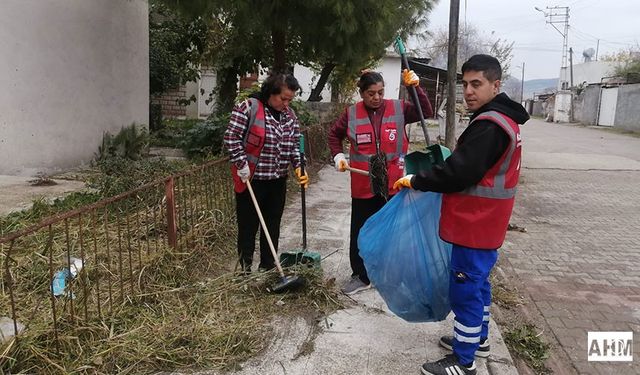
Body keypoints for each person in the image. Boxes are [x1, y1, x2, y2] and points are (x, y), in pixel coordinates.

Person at [393, 54, 530, 375]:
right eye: (465, 84)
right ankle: (477, 340)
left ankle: (463, 360)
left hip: (475, 223)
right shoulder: (501, 120)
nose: (468, 91)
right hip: (485, 224)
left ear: (496, 85)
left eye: (476, 84)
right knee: (478, 286)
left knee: (465, 289)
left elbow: (458, 173)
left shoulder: (489, 125)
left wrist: (417, 179)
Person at [328, 69, 433, 295]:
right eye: (371, 93)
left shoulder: (399, 108)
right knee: (360, 230)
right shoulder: (351, 114)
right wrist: (337, 155)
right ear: (362, 93)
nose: (376, 97)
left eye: (380, 92)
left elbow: (426, 111)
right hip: (363, 185)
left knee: (394, 232)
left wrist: (416, 88)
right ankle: (361, 276)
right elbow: (333, 135)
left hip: (393, 185)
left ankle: (390, 274)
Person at [223, 73, 309, 274]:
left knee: (272, 224)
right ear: (271, 93)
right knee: (248, 226)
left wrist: (299, 167)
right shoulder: (249, 108)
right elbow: (232, 137)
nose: (286, 104)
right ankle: (244, 269)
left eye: (290, 99)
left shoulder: (290, 116)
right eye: (283, 98)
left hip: (277, 181)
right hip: (252, 180)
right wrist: (241, 163)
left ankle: (268, 266)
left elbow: (295, 145)